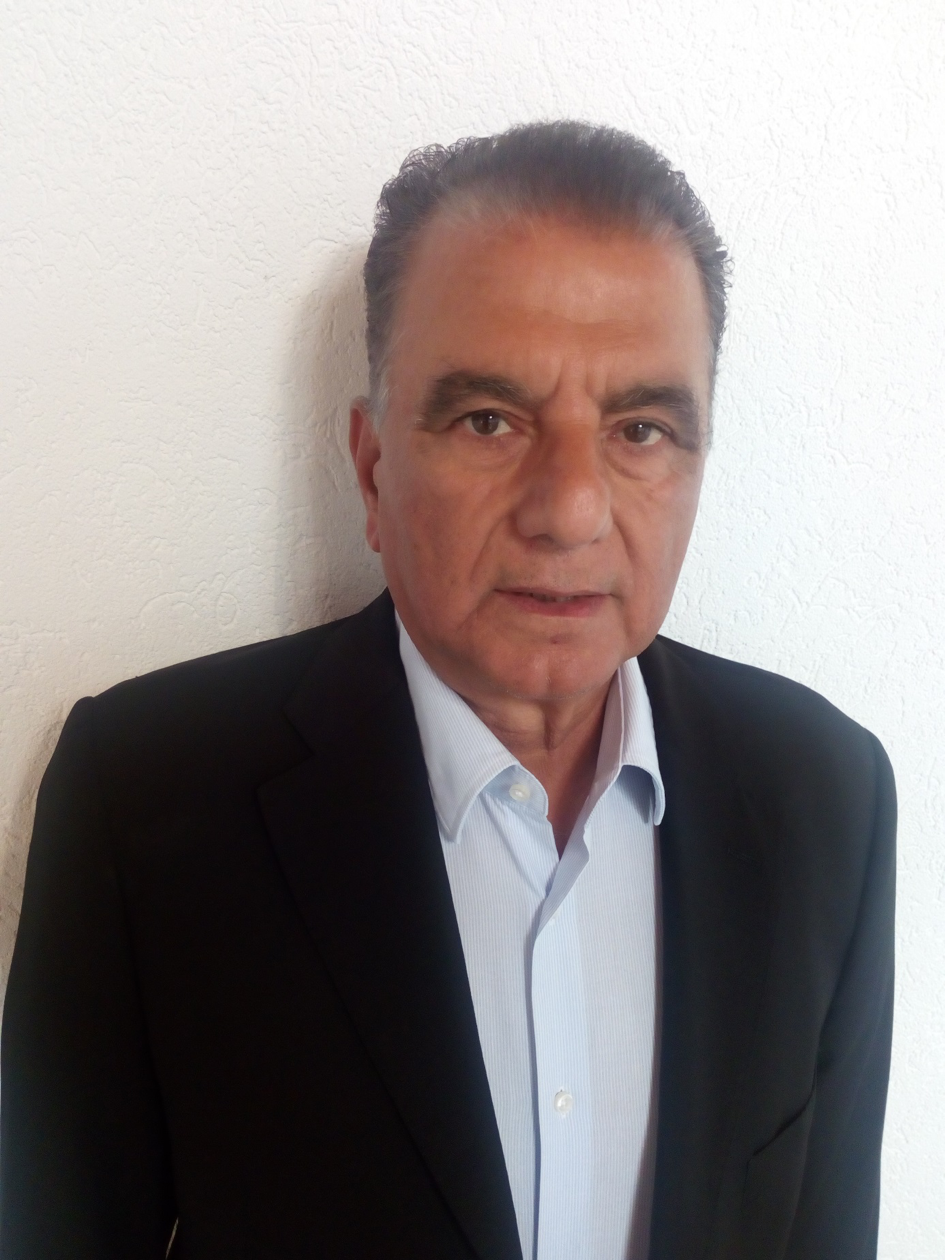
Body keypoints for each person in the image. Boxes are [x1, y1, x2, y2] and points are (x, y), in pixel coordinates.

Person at [0, 122, 895, 1260]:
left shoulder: (827, 795)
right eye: (489, 420)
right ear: (373, 469)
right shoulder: (145, 798)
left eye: (640, 429)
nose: (569, 510)